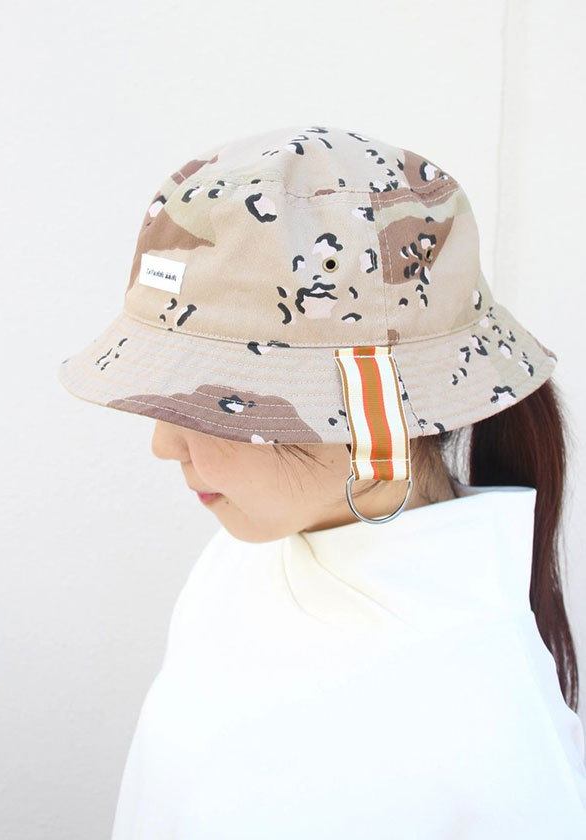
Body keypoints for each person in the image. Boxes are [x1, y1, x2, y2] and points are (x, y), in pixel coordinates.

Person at [58, 124, 586, 837]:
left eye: (218, 404)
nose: (163, 445)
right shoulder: (242, 562)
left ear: (377, 418)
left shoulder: (484, 720)